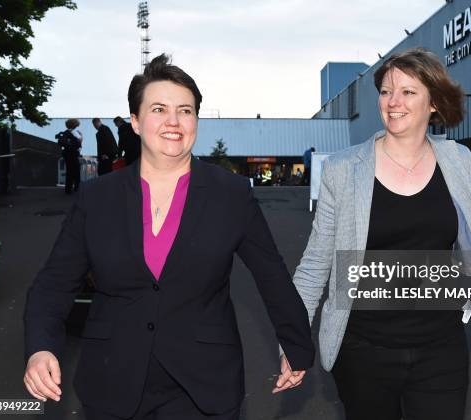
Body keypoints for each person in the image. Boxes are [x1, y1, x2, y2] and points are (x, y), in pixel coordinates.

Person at [23, 54, 314, 420]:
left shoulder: (231, 194)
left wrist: (295, 342)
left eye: (186, 110)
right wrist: (40, 347)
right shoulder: (98, 198)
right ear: (135, 120)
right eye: (159, 109)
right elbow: (53, 283)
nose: (174, 121)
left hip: (204, 385)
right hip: (113, 381)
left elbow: (271, 275)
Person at [289, 48, 471, 419]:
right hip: (363, 349)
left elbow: (469, 248)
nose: (393, 102)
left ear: (434, 102)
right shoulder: (344, 170)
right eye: (386, 91)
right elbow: (315, 263)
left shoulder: (457, 159)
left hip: (441, 346)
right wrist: (291, 339)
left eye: (408, 92)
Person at [60, 118, 83, 194]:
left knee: (69, 171)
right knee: (76, 171)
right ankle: (77, 187)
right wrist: (81, 137)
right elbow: (79, 142)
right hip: (73, 154)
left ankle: (68, 189)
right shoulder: (75, 132)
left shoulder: (66, 132)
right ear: (75, 125)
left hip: (67, 154)